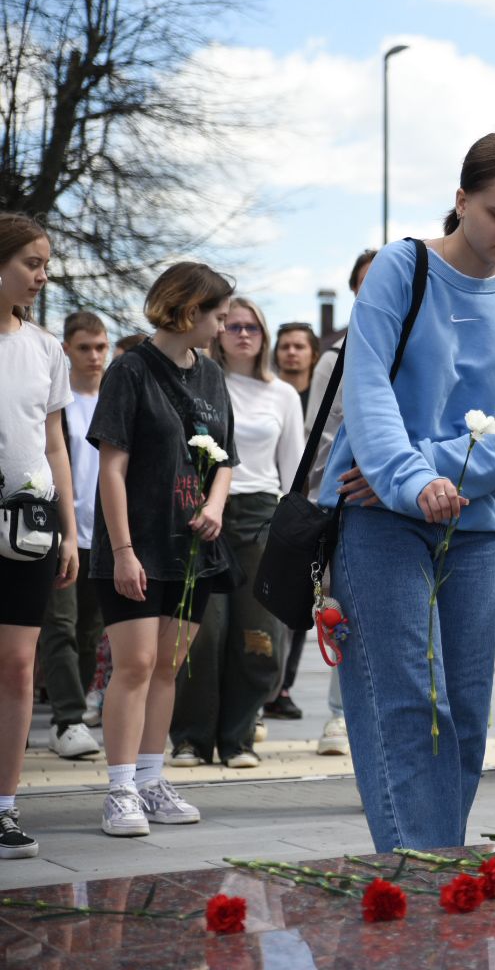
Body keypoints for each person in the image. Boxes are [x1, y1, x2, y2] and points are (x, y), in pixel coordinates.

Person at [319, 130, 495, 853]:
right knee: (406, 703)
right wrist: (412, 481)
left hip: (474, 526)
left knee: (464, 713)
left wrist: (440, 475)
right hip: (379, 514)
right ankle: (422, 870)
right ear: (461, 201)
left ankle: (436, 863)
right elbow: (367, 392)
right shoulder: (401, 267)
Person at [88, 261, 237, 837]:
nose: (223, 326)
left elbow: (224, 460)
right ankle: (121, 788)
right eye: (217, 315)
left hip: (191, 548)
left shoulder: (213, 376)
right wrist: (123, 551)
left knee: (169, 667)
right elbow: (111, 469)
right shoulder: (129, 371)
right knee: (136, 665)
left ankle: (152, 780)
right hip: (136, 543)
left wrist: (216, 507)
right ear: (187, 308)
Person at [169, 297, 303, 769]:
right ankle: (189, 738)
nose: (243, 334)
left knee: (258, 634)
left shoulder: (282, 394)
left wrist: (293, 536)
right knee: (202, 633)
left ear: (264, 336)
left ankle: (239, 738)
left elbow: (293, 471)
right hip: (203, 514)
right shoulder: (201, 382)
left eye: (253, 327)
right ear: (219, 332)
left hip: (261, 515)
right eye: (233, 325)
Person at [0, 214, 78, 860]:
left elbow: (55, 443)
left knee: (20, 667)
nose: (42, 274)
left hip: (29, 527)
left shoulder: (46, 349)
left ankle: (5, 805)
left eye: (46, 262)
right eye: (31, 262)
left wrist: (71, 533)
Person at [301, 249, 377, 757]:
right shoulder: (337, 357)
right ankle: (338, 714)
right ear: (354, 291)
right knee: (343, 607)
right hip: (346, 496)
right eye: (367, 284)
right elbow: (318, 433)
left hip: (392, 498)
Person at [42, 310, 110, 761]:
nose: (94, 356)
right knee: (60, 626)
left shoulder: (115, 402)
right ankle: (67, 718)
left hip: (103, 536)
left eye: (101, 347)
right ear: (67, 349)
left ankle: (77, 712)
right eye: (84, 347)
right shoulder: (59, 403)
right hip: (61, 530)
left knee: (92, 631)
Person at [263, 321, 322, 722]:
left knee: (300, 599)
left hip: (307, 505)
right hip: (270, 500)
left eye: (299, 346)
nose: (291, 353)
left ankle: (283, 686)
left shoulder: (318, 395)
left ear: (312, 354)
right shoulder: (269, 393)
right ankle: (264, 683)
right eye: (285, 346)